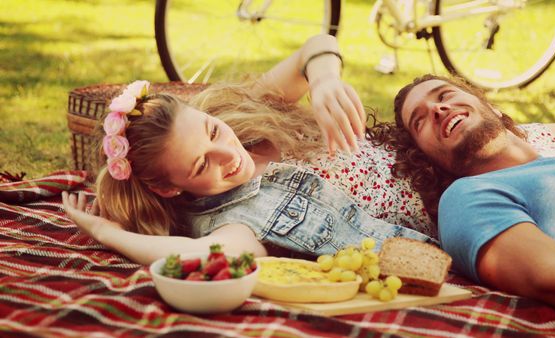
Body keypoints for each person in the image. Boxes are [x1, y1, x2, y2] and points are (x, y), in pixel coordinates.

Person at [62, 34, 437, 266]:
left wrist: (322, 79)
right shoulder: (232, 222)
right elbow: (203, 258)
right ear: (167, 188)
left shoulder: (240, 114)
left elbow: (317, 46)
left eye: (212, 132)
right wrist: (104, 232)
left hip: (428, 148)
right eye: (200, 165)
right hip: (447, 207)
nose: (228, 156)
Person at [377, 73, 555, 335]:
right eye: (419, 121)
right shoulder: (468, 196)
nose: (438, 108)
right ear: (427, 159)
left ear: (491, 106)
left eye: (445, 95)